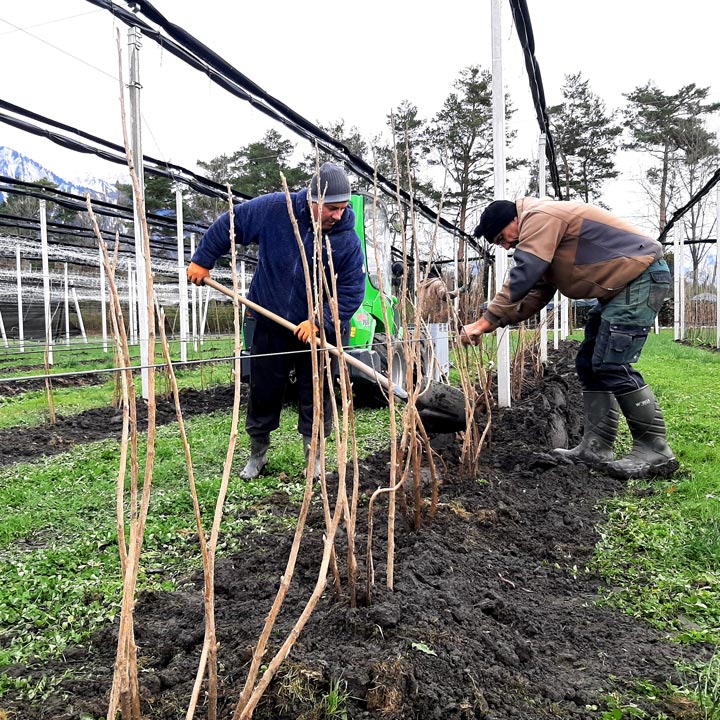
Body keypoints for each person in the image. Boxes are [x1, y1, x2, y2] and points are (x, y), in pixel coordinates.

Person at [460, 197, 678, 480]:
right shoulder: (544, 236)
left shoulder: (539, 216)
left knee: (612, 364)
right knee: (588, 363)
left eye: (502, 238)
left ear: (513, 220)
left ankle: (656, 451)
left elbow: (523, 274)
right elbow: (537, 291)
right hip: (619, 290)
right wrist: (493, 322)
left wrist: (485, 319)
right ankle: (596, 448)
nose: (505, 246)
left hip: (640, 279)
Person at [187, 162, 366, 479]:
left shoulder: (347, 241)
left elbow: (352, 290)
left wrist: (320, 320)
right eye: (332, 209)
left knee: (317, 393)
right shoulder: (275, 209)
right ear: (313, 201)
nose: (339, 216)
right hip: (270, 320)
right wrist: (203, 259)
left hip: (317, 333)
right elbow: (232, 222)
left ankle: (315, 460)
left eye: (344, 208)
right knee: (264, 390)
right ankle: (258, 456)